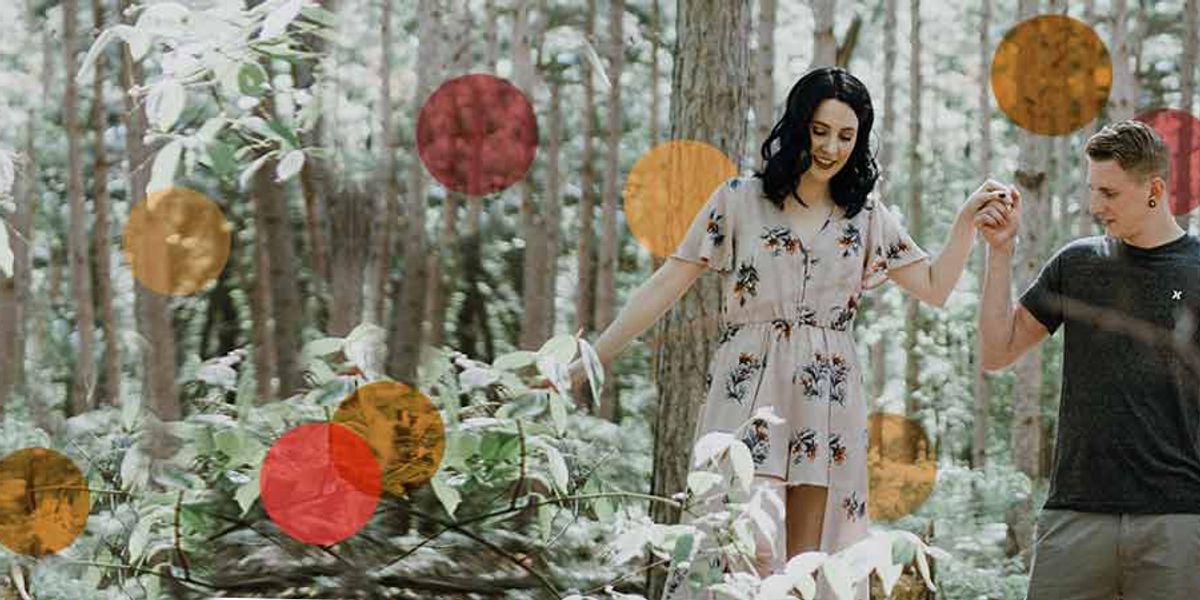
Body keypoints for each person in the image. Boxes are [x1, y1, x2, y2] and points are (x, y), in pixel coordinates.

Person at [553, 66, 1010, 597]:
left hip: (827, 403)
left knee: (808, 566)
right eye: (820, 130)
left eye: (846, 135)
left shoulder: (864, 216)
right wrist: (588, 362)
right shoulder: (739, 200)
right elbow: (664, 286)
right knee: (734, 546)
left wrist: (964, 225)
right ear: (797, 125)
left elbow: (933, 286)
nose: (831, 147)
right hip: (747, 393)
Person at [975, 119, 1200, 600]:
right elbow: (997, 353)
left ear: (1154, 190)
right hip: (1075, 515)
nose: (1096, 206)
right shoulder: (1078, 264)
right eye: (1092, 190)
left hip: (1178, 521)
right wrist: (1000, 253)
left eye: (1110, 194)